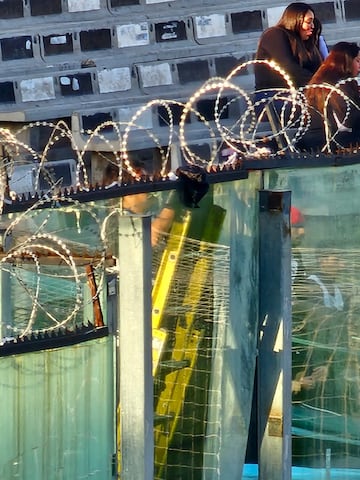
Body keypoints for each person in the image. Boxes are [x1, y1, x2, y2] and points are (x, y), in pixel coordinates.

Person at [298, 41, 360, 152]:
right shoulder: (338, 86)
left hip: (318, 140)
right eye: (358, 61)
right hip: (330, 141)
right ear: (346, 62)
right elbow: (347, 123)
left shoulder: (321, 82)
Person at [255, 2, 323, 92]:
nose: (312, 26)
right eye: (308, 22)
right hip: (274, 97)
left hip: (299, 95)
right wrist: (320, 82)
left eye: (313, 22)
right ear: (295, 20)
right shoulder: (274, 34)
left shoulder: (305, 44)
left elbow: (318, 68)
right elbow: (288, 67)